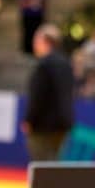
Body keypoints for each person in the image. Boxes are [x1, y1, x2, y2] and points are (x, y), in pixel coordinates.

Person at [21, 24, 75, 160]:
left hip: (42, 125)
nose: (34, 45)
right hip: (63, 123)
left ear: (45, 42)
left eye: (36, 41)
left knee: (41, 162)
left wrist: (29, 119)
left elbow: (37, 96)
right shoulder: (66, 64)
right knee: (54, 161)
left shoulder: (44, 65)